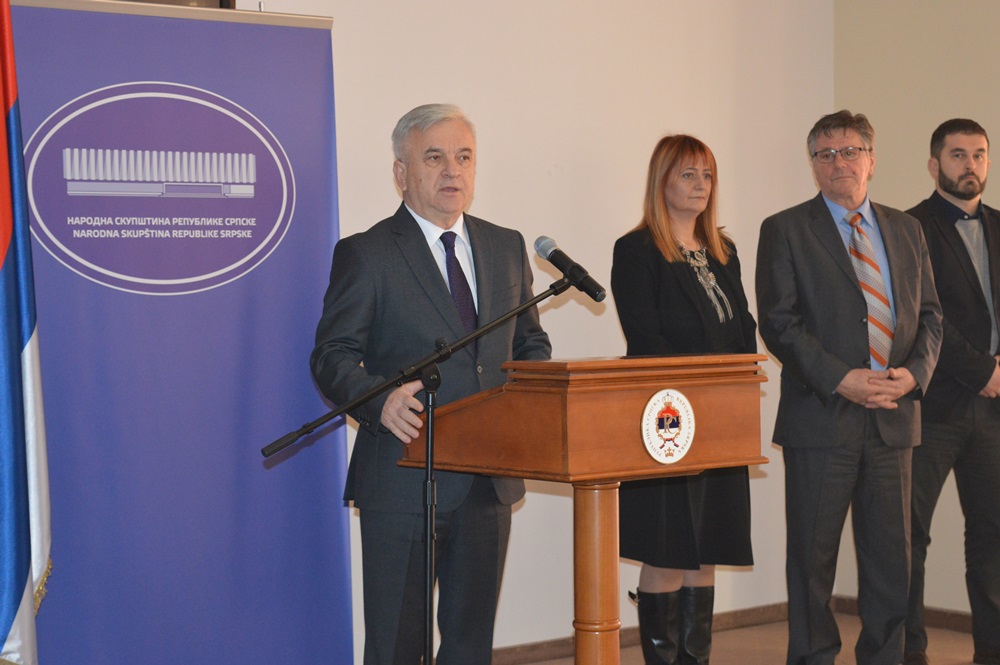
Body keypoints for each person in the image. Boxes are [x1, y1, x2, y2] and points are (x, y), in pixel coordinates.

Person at [309, 103, 551, 665]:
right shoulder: (367, 253)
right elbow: (332, 355)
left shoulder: (504, 245)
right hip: (403, 475)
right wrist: (379, 401)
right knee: (397, 646)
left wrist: (527, 398)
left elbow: (529, 343)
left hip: (488, 480)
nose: (452, 171)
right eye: (434, 157)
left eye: (463, 157)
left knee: (470, 646)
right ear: (402, 173)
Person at [755, 110, 942, 665]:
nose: (839, 162)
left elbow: (931, 317)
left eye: (851, 151)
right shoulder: (785, 229)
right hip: (820, 419)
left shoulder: (907, 230)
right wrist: (842, 379)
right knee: (812, 563)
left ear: (872, 160)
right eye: (826, 153)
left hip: (893, 418)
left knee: (891, 563)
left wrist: (914, 375)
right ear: (814, 164)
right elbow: (779, 321)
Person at [611, 134, 755, 665]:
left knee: (707, 547)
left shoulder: (723, 249)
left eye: (707, 175)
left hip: (722, 416)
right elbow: (645, 338)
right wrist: (701, 387)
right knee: (668, 550)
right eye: (688, 174)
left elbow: (743, 326)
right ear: (662, 181)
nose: (700, 185)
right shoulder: (637, 250)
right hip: (668, 417)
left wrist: (735, 388)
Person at [904, 119, 1000, 665]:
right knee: (909, 538)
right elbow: (925, 317)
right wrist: (982, 371)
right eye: (958, 154)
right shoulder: (909, 228)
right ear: (934, 164)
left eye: (979, 154)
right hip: (934, 407)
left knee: (993, 539)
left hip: (995, 411)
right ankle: (909, 653)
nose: (970, 164)